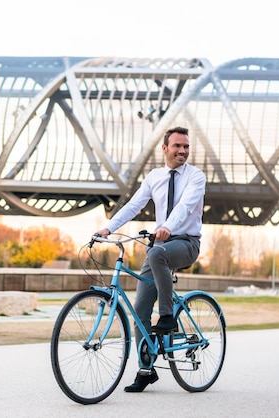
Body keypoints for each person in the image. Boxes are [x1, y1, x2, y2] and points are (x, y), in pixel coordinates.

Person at [95, 126, 206, 393]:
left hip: (186, 242)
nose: (182, 151)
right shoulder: (154, 177)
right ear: (165, 149)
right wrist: (109, 228)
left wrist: (168, 226)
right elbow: (134, 205)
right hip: (160, 244)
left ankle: (167, 317)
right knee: (140, 310)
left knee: (156, 252)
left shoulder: (196, 177)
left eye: (186, 147)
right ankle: (146, 370)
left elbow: (186, 206)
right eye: (177, 146)